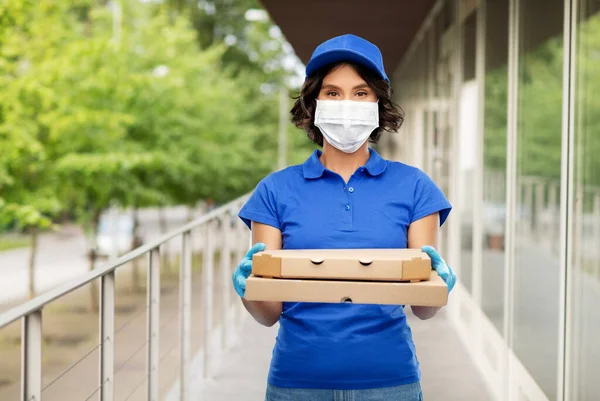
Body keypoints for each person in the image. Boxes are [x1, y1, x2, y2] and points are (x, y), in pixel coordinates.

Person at [232, 33, 457, 401]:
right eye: (333, 92)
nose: (347, 104)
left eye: (361, 93)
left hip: (390, 382)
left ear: (378, 103)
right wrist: (247, 289)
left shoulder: (415, 188)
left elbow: (424, 309)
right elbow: (267, 313)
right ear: (313, 103)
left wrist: (439, 284)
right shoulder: (274, 191)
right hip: (296, 383)